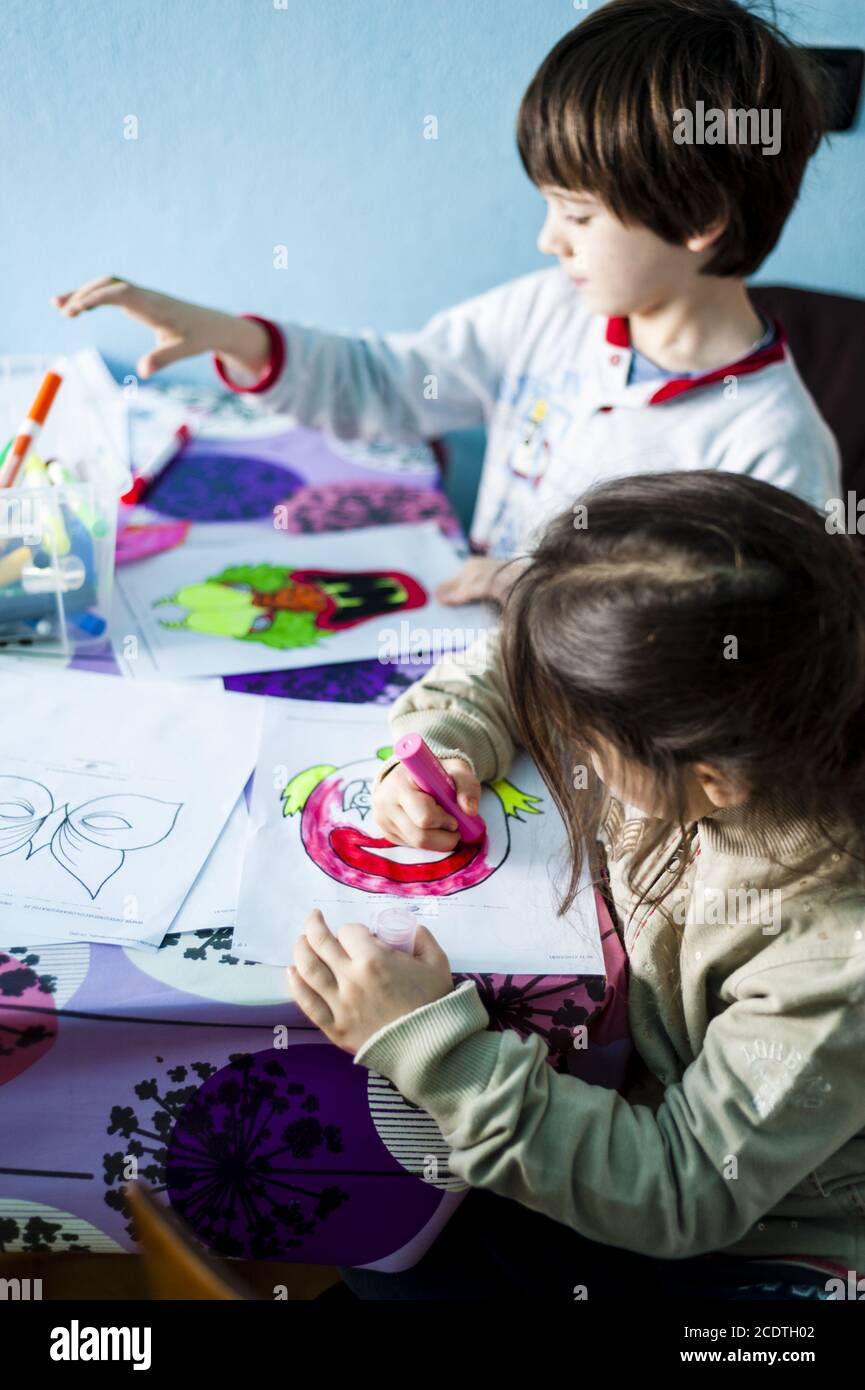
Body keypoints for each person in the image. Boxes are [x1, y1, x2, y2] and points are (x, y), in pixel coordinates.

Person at [289, 471, 865, 1299]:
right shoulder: (739, 680)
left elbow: (682, 1189)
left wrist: (433, 1046)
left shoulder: (831, 951)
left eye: (583, 743)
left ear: (715, 781)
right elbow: (518, 662)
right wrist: (450, 742)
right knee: (385, 1218)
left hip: (762, 1239)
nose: (566, 743)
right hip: (623, 1085)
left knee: (389, 1245)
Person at [52, 0, 839, 603]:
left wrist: (523, 586)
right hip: (467, 673)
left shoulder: (772, 452)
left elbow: (729, 662)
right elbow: (390, 381)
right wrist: (231, 336)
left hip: (600, 748)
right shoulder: (548, 311)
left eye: (577, 215)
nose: (547, 240)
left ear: (700, 218)